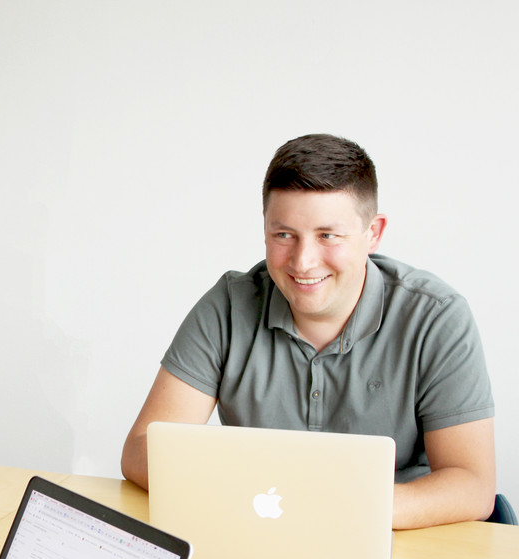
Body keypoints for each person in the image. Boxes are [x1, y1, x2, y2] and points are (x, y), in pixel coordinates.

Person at [122, 133, 495, 530]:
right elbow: (141, 450)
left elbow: (472, 485)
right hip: (260, 528)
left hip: (391, 537)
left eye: (327, 235)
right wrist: (247, 496)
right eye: (284, 235)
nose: (303, 261)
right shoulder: (229, 306)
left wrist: (334, 511)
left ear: (374, 233)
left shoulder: (436, 317)